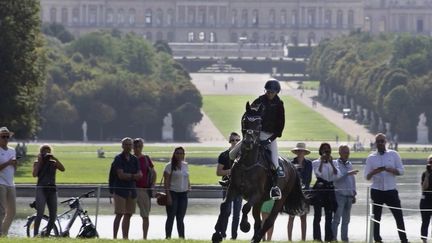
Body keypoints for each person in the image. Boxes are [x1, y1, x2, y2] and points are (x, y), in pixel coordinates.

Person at [364, 133, 409, 243]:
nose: (380, 143)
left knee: (398, 216)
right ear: (375, 143)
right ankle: (377, 239)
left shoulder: (394, 154)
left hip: (391, 190)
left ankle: (404, 240)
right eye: (378, 141)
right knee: (376, 218)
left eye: (382, 141)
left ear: (385, 142)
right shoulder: (371, 158)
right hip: (377, 190)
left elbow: (402, 171)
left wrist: (391, 170)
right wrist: (375, 171)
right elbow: (366, 176)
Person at [251, 79, 285, 200]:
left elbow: (280, 125)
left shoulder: (279, 104)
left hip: (270, 136)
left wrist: (270, 140)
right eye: (268, 91)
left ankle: (275, 188)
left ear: (276, 92)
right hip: (255, 134)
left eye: (272, 92)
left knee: (275, 162)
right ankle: (229, 178)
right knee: (235, 153)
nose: (269, 94)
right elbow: (248, 114)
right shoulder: (258, 101)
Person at [110, 137, 142, 239]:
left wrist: (129, 176)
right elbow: (121, 175)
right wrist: (133, 176)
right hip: (120, 190)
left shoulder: (135, 159)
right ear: (122, 146)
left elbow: (140, 174)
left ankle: (125, 238)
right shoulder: (118, 159)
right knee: (119, 214)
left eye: (130, 144)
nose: (128, 146)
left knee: (128, 214)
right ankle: (114, 237)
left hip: (131, 190)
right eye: (126, 144)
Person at [32, 144, 65, 236]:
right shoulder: (37, 162)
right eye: (44, 152)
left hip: (52, 189)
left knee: (53, 214)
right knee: (40, 213)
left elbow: (63, 169)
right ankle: (35, 234)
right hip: (41, 188)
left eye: (48, 152)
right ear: (40, 153)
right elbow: (34, 174)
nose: (46, 154)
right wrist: (39, 162)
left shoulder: (53, 162)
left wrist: (54, 158)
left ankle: (47, 234)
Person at [216, 132, 242, 240]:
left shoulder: (243, 155)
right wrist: (231, 171)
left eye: (237, 140)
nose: (235, 142)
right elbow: (218, 172)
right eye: (232, 140)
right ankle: (223, 234)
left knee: (237, 214)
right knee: (226, 211)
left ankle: (234, 236)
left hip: (240, 187)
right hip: (227, 187)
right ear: (229, 141)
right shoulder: (224, 155)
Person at [312, 142, 340, 242]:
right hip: (320, 189)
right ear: (321, 151)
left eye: (328, 150)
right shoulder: (315, 162)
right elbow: (318, 174)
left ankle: (328, 238)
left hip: (329, 188)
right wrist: (321, 162)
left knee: (329, 216)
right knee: (317, 215)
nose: (326, 152)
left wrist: (331, 163)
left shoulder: (335, 162)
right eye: (324, 150)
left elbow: (337, 175)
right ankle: (317, 238)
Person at [332, 144, 358, 242]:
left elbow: (352, 180)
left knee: (346, 220)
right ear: (339, 153)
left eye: (348, 152)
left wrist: (354, 193)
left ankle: (344, 239)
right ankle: (333, 238)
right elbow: (336, 179)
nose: (347, 154)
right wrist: (347, 173)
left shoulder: (349, 164)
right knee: (337, 218)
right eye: (345, 152)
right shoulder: (335, 164)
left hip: (349, 196)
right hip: (339, 195)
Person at [287, 142, 312, 241]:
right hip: (293, 193)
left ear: (304, 152)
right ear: (297, 152)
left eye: (302, 151)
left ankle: (303, 239)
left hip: (304, 193)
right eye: (299, 151)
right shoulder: (291, 163)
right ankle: (289, 239)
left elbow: (308, 178)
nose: (300, 152)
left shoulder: (309, 163)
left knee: (303, 218)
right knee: (291, 217)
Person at [164, 147, 190, 239]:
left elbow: (186, 177)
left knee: (180, 218)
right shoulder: (169, 166)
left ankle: (182, 238)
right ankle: (168, 237)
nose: (180, 155)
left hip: (183, 194)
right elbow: (166, 182)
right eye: (178, 153)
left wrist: (188, 186)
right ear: (174, 154)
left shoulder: (185, 165)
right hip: (173, 193)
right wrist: (168, 196)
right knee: (171, 217)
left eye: (182, 153)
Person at [133, 138, 156, 240]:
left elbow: (153, 172)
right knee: (127, 214)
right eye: (136, 146)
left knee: (145, 215)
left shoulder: (146, 158)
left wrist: (152, 185)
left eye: (140, 146)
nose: (138, 148)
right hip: (132, 189)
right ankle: (125, 238)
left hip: (143, 190)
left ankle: (144, 238)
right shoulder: (130, 158)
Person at [0, 127, 17, 236]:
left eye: (7, 137)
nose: (6, 139)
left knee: (12, 211)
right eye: (3, 137)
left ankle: (3, 233)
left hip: (11, 183)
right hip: (0, 183)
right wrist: (9, 162)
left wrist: (15, 165)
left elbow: (13, 168)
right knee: (1, 211)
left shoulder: (12, 150)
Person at [420, 155, 432, 243]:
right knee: (425, 221)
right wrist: (427, 176)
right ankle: (424, 240)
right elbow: (424, 188)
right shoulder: (425, 173)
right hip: (426, 199)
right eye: (430, 161)